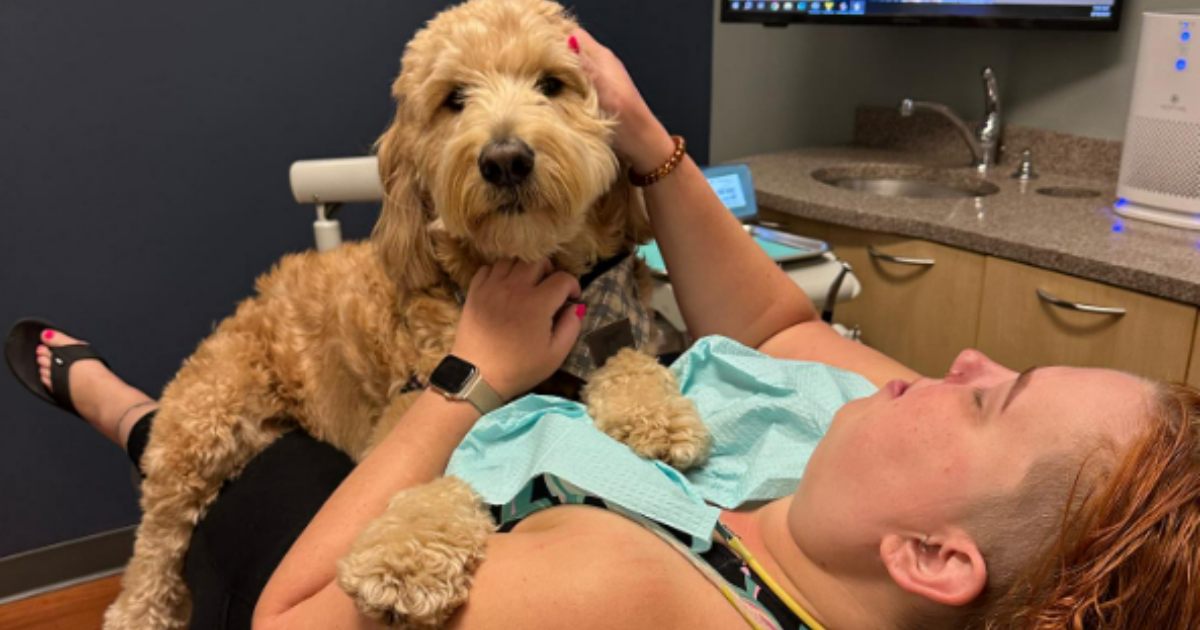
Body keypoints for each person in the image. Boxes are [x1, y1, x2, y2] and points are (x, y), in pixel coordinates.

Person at [12, 29, 1199, 630]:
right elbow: (781, 325)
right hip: (460, 419)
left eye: (990, 394)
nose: (957, 365)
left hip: (381, 493)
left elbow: (299, 619)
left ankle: (121, 406)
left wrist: (469, 374)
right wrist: (645, 134)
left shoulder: (621, 587)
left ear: (936, 560)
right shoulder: (897, 469)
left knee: (242, 464)